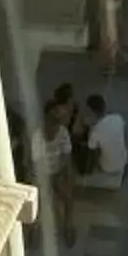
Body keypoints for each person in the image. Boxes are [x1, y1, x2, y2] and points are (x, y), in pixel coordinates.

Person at [33, 93, 77, 246]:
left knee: (68, 198)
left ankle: (68, 226)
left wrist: (65, 175)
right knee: (40, 200)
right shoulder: (38, 137)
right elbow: (36, 163)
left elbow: (66, 156)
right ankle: (36, 227)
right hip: (43, 174)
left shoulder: (63, 132)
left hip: (57, 172)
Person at [83, 93, 128, 184]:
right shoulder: (118, 118)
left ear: (92, 111)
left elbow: (91, 149)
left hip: (107, 167)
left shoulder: (95, 130)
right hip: (124, 160)